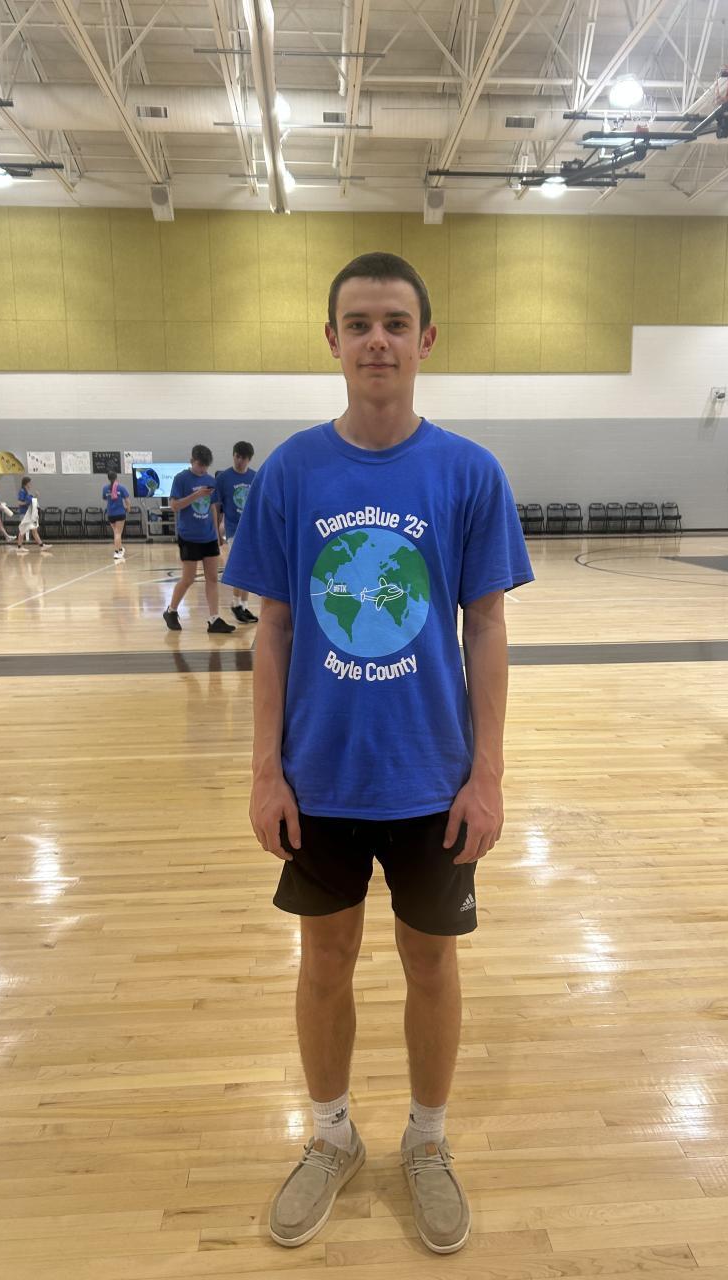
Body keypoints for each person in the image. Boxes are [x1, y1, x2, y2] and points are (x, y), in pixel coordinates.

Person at [222, 252, 533, 1255]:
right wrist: (265, 771)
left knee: (431, 963)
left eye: (395, 322)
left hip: (431, 776)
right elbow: (273, 629)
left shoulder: (469, 472)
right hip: (319, 775)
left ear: (426, 339)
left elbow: (487, 627)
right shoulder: (291, 472)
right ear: (332, 340)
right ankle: (331, 1136)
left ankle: (427, 1142)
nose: (377, 341)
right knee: (324, 961)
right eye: (358, 323)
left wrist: (487, 775)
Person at [162, 444, 236, 634]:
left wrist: (217, 533)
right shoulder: (181, 479)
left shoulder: (211, 480)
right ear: (192, 461)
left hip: (208, 536)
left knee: (212, 578)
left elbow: (212, 507)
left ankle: (214, 619)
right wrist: (196, 495)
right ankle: (171, 611)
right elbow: (174, 506)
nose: (203, 469)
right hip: (189, 536)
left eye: (205, 466)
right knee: (188, 578)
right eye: (200, 465)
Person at [215, 441, 258, 624]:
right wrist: (217, 531)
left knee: (248, 568)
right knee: (240, 566)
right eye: (237, 457)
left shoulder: (255, 477)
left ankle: (244, 606)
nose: (240, 461)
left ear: (249, 459)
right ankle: (235, 603)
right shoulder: (224, 478)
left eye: (244, 458)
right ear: (233, 455)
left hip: (251, 529)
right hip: (233, 529)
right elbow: (217, 506)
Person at [15, 477, 52, 553]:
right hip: (24, 514)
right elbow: (19, 502)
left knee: (34, 529)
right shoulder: (22, 491)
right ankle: (19, 547)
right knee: (22, 530)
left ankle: (41, 545)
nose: (31, 484)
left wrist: (35, 496)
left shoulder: (27, 492)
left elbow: (31, 501)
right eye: (30, 483)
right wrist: (26, 503)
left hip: (30, 513)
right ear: (26, 483)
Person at [102, 471, 130, 560]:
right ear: (116, 477)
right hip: (120, 513)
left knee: (116, 533)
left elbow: (105, 498)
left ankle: (120, 549)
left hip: (110, 514)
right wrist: (128, 508)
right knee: (118, 533)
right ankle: (116, 552)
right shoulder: (121, 488)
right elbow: (127, 500)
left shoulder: (105, 488)